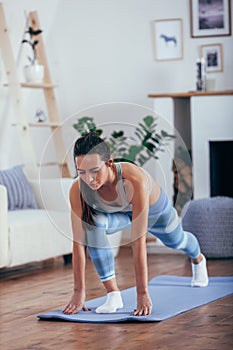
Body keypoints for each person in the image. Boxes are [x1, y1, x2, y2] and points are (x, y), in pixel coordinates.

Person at [63, 132, 208, 316]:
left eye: (95, 171)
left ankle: (198, 259)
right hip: (121, 215)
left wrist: (142, 293)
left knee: (176, 241)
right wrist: (78, 292)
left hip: (156, 212)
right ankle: (113, 294)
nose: (89, 179)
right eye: (81, 172)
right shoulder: (77, 189)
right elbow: (78, 242)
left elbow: (138, 241)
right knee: (93, 225)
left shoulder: (134, 178)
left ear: (109, 162)